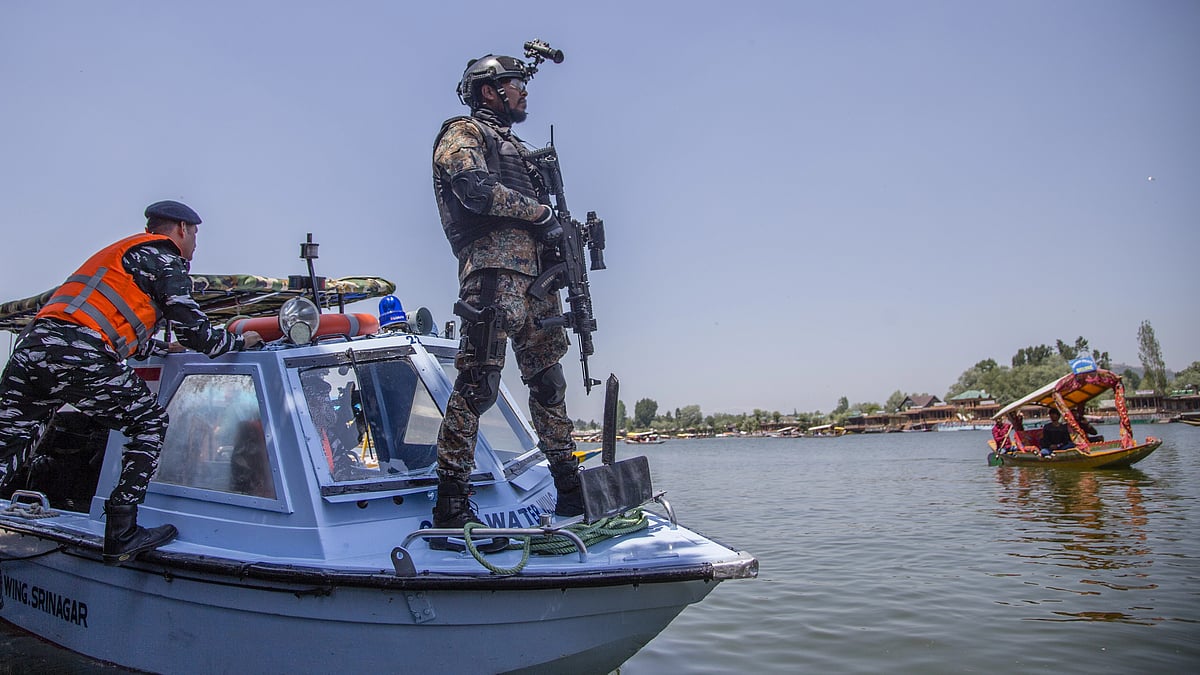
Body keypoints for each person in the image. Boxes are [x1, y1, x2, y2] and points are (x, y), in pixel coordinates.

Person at [0, 200, 262, 565]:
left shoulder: (120, 257)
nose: (196, 245)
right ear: (182, 229)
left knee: (11, 445)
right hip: (76, 352)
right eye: (196, 234)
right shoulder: (165, 257)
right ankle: (122, 529)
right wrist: (241, 341)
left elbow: (106, 323)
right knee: (150, 422)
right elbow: (200, 334)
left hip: (33, 349)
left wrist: (160, 346)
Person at [429, 52, 582, 550]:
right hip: (493, 274)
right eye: (516, 83)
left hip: (538, 280)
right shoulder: (462, 132)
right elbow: (474, 190)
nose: (525, 92)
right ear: (490, 90)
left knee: (549, 382)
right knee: (478, 384)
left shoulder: (520, 150)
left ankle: (570, 488)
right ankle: (451, 500)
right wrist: (540, 214)